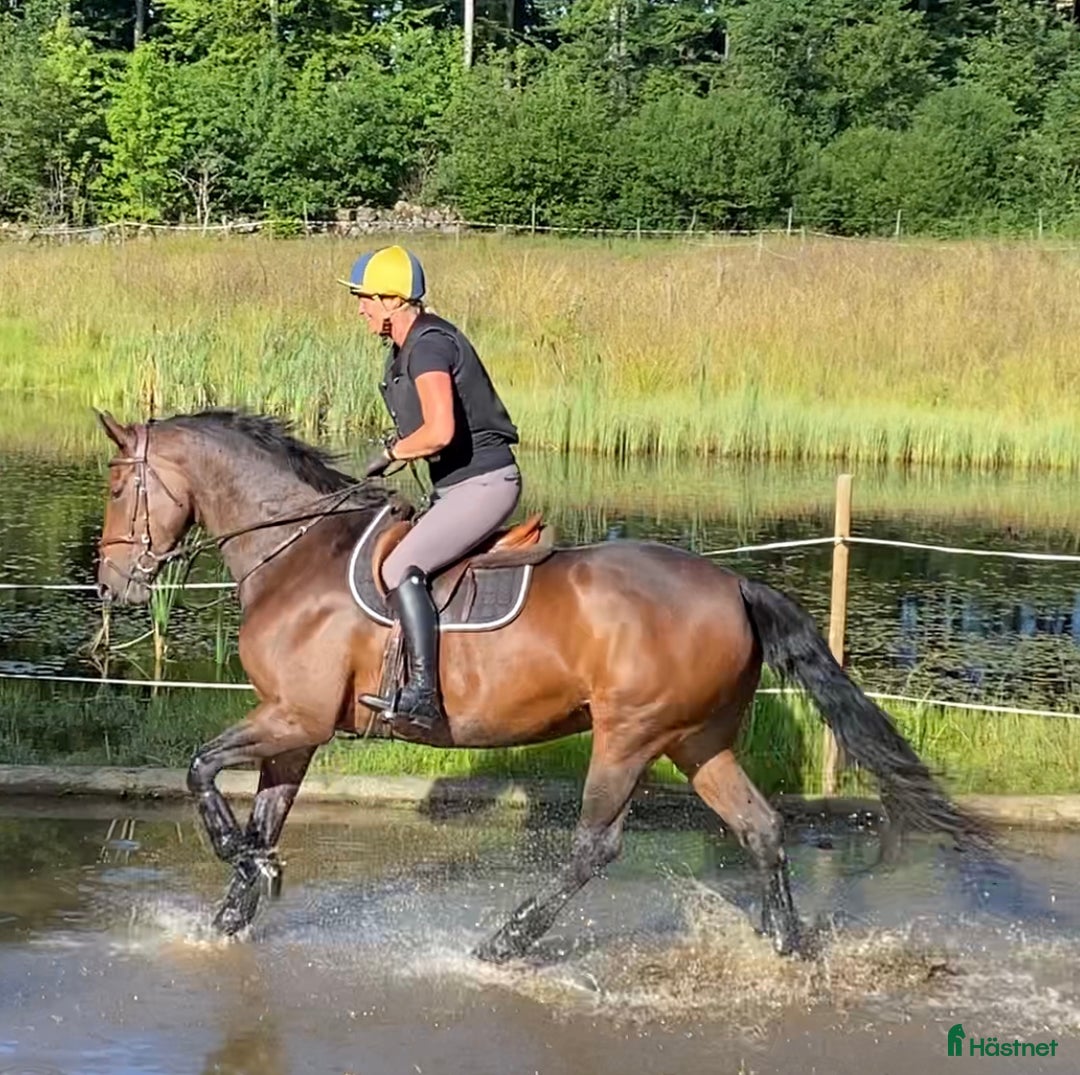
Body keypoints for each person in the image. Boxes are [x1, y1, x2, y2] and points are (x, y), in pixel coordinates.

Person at [342, 245, 522, 733]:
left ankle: (424, 693)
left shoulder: (428, 346)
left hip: (484, 483)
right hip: (458, 487)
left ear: (392, 300)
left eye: (364, 298)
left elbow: (440, 431)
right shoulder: (406, 348)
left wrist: (392, 453)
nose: (359, 307)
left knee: (401, 565)